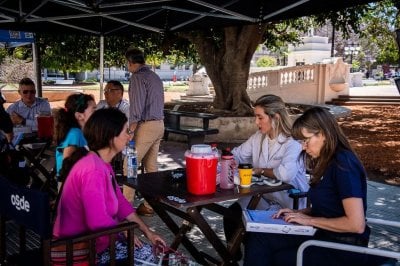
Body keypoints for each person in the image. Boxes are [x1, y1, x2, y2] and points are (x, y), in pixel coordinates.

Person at [244, 106, 370, 266]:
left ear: (323, 134)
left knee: (279, 257)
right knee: (259, 236)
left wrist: (309, 220)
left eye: (306, 140)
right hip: (321, 235)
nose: (303, 147)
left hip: (342, 248)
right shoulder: (327, 161)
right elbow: (331, 208)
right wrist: (298, 213)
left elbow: (356, 224)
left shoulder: (344, 165)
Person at [53, 108, 166, 265]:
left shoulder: (101, 163)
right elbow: (97, 222)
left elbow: (121, 203)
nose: (130, 135)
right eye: (126, 131)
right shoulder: (92, 169)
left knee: (159, 255)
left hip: (95, 244)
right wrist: (125, 230)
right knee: (162, 260)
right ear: (111, 136)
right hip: (78, 252)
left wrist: (148, 232)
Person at [223, 95, 309, 260]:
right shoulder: (258, 138)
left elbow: (285, 173)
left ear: (275, 117)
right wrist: (227, 161)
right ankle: (232, 259)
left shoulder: (292, 143)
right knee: (231, 216)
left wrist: (260, 170)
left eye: (260, 117)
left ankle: (255, 258)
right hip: (263, 200)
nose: (256, 122)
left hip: (290, 204)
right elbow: (237, 155)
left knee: (253, 233)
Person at [124, 47, 165, 216]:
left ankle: (125, 207)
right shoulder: (154, 76)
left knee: (129, 166)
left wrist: (131, 130)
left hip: (146, 126)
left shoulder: (138, 77)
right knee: (151, 166)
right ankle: (150, 205)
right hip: (159, 124)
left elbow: (137, 106)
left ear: (130, 62)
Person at [54, 93, 96, 179]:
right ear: (79, 116)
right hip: (70, 184)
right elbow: (67, 164)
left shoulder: (79, 132)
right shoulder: (75, 134)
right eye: (93, 110)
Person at [97, 80, 130, 176]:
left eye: (108, 90)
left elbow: (122, 129)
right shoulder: (101, 105)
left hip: (115, 146)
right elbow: (93, 124)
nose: (105, 93)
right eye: (105, 91)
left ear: (119, 92)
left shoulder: (126, 108)